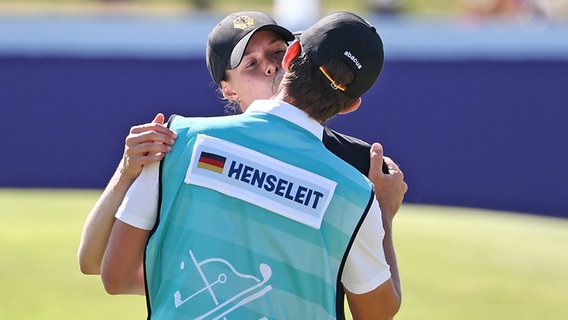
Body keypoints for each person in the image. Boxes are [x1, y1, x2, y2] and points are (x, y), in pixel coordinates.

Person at [101, 11, 401, 319]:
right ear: (352, 105)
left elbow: (115, 276)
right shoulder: (356, 194)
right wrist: (383, 215)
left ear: (291, 55)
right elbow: (377, 314)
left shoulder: (178, 139)